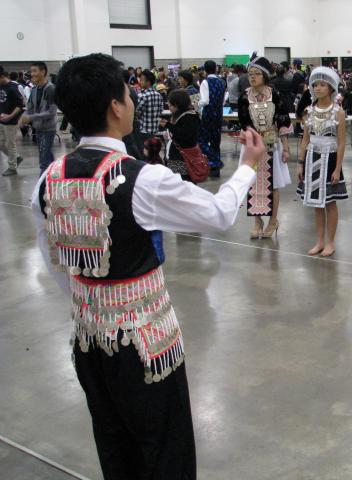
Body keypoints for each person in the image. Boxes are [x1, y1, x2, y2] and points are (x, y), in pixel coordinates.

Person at [32, 53, 264, 480]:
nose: (133, 102)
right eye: (128, 94)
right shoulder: (140, 178)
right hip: (145, 346)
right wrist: (247, 169)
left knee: (114, 444)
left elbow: (55, 260)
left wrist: (92, 301)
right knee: (164, 450)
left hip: (88, 341)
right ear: (116, 106)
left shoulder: (50, 177)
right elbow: (216, 214)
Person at [238, 55, 292, 239]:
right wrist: (246, 136)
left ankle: (273, 220)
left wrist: (285, 148)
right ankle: (257, 220)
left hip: (272, 144)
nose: (252, 77)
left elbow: (283, 120)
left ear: (265, 76)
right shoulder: (244, 97)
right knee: (253, 182)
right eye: (250, 74)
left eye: (256, 74)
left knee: (273, 184)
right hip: (253, 146)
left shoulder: (274, 95)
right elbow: (243, 122)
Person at [296, 67, 348, 256]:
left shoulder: (338, 112)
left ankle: (330, 242)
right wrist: (300, 162)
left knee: (330, 202)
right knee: (315, 203)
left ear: (331, 88)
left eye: (322, 85)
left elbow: (341, 142)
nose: (318, 88)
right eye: (315, 84)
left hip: (331, 158)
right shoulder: (309, 111)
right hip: (312, 158)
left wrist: (337, 168)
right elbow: (305, 139)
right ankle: (319, 241)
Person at [19, 61, 57, 174]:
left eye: (35, 71)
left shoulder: (50, 89)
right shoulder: (35, 89)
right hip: (39, 128)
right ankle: (56, 178)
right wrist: (23, 117)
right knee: (47, 157)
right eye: (31, 71)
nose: (32, 74)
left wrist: (30, 118)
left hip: (48, 129)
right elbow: (29, 107)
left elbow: (51, 112)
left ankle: (41, 190)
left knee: (44, 162)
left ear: (43, 72)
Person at [161, 89, 200, 180]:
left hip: (183, 155)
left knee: (182, 179)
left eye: (170, 105)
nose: (169, 107)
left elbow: (183, 135)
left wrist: (168, 125)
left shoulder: (189, 117)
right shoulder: (181, 115)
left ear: (177, 105)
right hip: (178, 154)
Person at [198, 60, 226, 176]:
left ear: (205, 70)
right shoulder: (221, 82)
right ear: (216, 69)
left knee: (202, 141)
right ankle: (215, 170)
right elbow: (223, 100)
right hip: (219, 113)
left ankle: (215, 161)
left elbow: (205, 100)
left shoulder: (205, 82)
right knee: (215, 141)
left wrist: (197, 103)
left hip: (208, 114)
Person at [0, 66, 23, 176]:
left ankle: (12, 167)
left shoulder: (13, 87)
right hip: (1, 120)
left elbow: (20, 105)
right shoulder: (1, 86)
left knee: (10, 144)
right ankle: (16, 157)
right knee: (1, 144)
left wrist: (10, 116)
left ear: (2, 76)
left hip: (11, 121)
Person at [136, 69, 164, 146]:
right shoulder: (158, 95)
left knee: (144, 152)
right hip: (155, 130)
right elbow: (161, 110)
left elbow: (137, 113)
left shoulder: (142, 96)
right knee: (152, 152)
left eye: (142, 80)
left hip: (144, 130)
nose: (140, 82)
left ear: (148, 82)